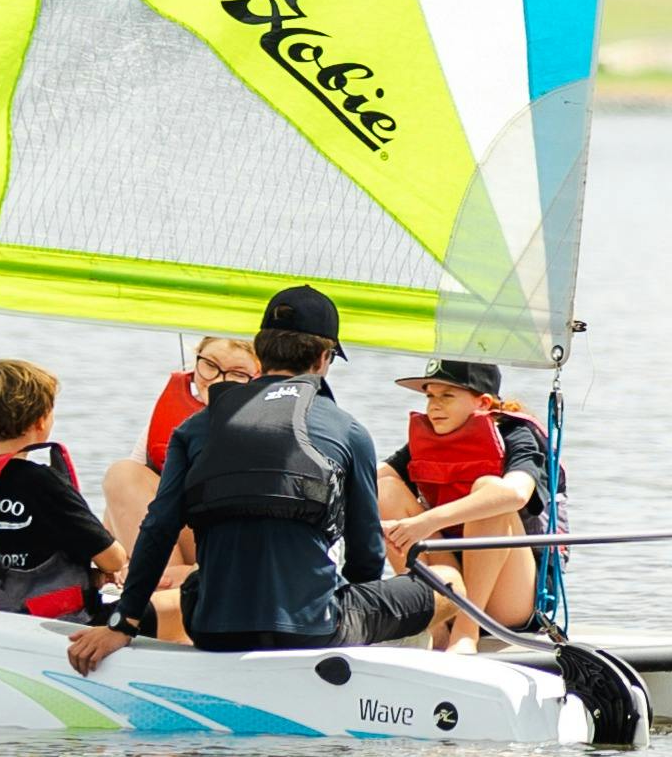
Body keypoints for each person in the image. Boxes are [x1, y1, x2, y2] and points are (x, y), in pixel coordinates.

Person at [64, 283, 436, 672]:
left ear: (261, 352)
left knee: (197, 586)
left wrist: (123, 624)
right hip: (312, 631)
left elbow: (158, 529)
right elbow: (365, 557)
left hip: (212, 630)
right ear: (324, 359)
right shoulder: (349, 431)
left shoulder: (194, 428)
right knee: (444, 582)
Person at [0, 358, 124, 620]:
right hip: (45, 621)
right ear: (41, 421)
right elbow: (113, 560)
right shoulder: (42, 483)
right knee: (172, 605)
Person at [380, 360, 549, 647]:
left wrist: (426, 522)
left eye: (447, 396)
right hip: (448, 581)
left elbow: (517, 493)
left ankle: (466, 631)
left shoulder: (517, 435)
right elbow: (374, 476)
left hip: (508, 598)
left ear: (483, 403)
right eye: (430, 396)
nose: (434, 406)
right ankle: (434, 625)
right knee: (385, 489)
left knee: (491, 491)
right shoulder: (430, 438)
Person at [101, 331, 259, 554]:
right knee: (121, 479)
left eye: (237, 373)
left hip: (227, 540)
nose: (217, 380)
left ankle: (167, 578)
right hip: (175, 529)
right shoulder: (172, 413)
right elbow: (127, 488)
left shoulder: (267, 423)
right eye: (210, 365)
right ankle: (159, 575)